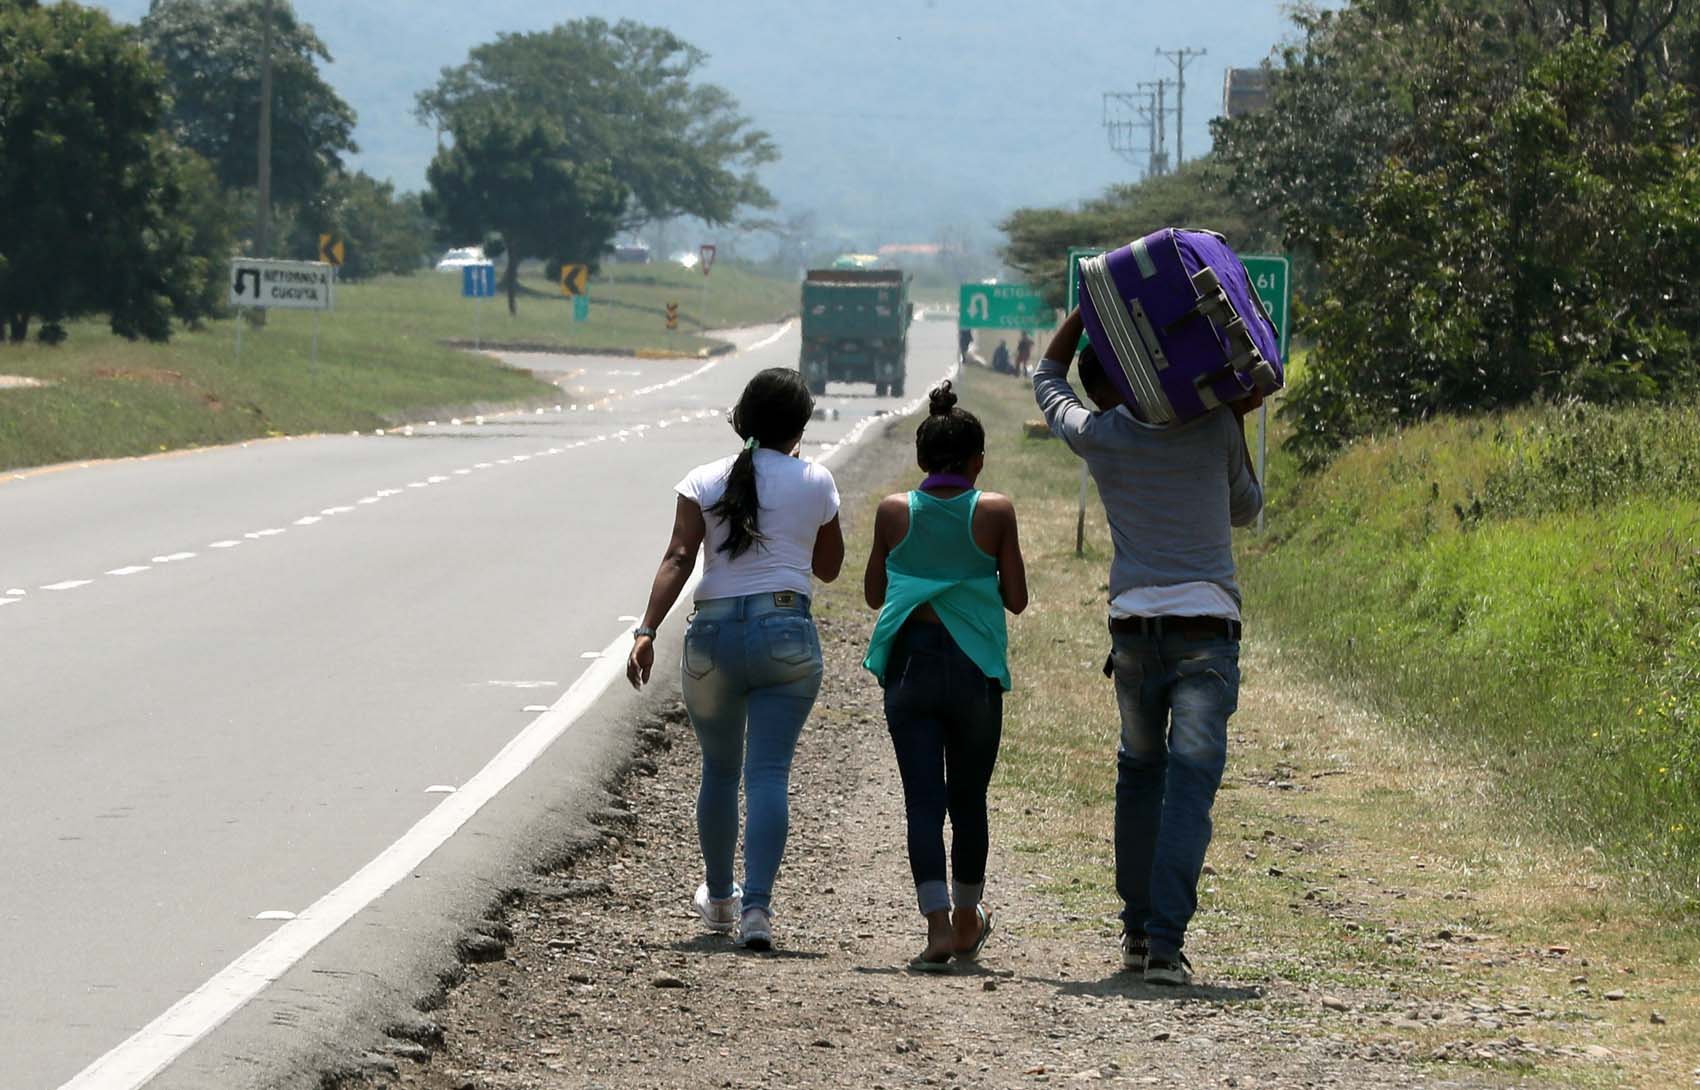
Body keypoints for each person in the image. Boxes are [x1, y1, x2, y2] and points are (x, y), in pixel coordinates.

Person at [1033, 311, 1263, 986]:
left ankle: (1136, 936)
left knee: (1139, 775)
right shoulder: (1213, 426)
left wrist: (1083, 312)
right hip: (1206, 633)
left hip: (1134, 634)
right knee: (1189, 789)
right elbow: (1245, 509)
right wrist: (1233, 416)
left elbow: (1047, 379)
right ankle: (1165, 946)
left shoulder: (1100, 436)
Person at [627, 368, 845, 952]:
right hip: (786, 631)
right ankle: (758, 912)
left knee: (720, 770)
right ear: (800, 427)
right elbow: (828, 568)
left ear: (740, 420)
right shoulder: (815, 480)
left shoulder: (702, 480)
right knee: (768, 773)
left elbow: (678, 556)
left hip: (713, 636)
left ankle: (718, 899)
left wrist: (647, 630)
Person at [863, 381, 1028, 969]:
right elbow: (1017, 599)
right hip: (974, 671)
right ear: (978, 460)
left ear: (920, 459)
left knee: (922, 803)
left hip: (910, 668)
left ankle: (935, 927)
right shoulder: (995, 511)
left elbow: (873, 592)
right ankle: (966, 921)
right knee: (969, 800)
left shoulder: (892, 511)